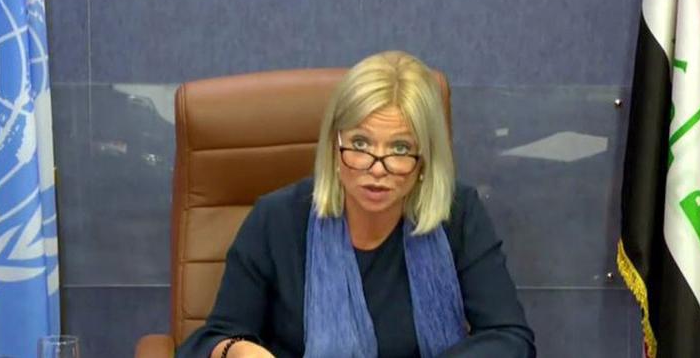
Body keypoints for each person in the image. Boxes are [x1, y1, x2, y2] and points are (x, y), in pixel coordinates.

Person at [176, 51, 535, 358]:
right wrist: (236, 350)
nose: (377, 169)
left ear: (425, 159)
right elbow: (210, 340)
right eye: (360, 144)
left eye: (399, 149)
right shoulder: (277, 220)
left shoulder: (456, 214)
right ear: (334, 147)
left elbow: (510, 339)